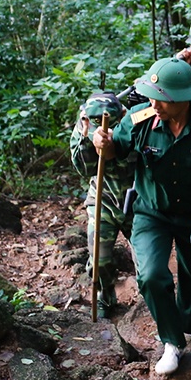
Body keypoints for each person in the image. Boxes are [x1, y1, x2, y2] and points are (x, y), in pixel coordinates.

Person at [91, 58, 191, 376]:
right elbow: (116, 149)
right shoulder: (140, 119)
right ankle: (172, 340)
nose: (154, 103)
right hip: (151, 211)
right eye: (151, 95)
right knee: (152, 276)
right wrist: (104, 143)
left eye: (161, 98)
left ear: (182, 98)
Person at [69, 92, 134, 318]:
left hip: (135, 201)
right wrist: (87, 138)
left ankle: (151, 304)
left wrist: (114, 141)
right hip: (103, 200)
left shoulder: (132, 123)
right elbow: (83, 169)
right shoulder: (83, 126)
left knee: (147, 263)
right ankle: (106, 296)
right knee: (99, 259)